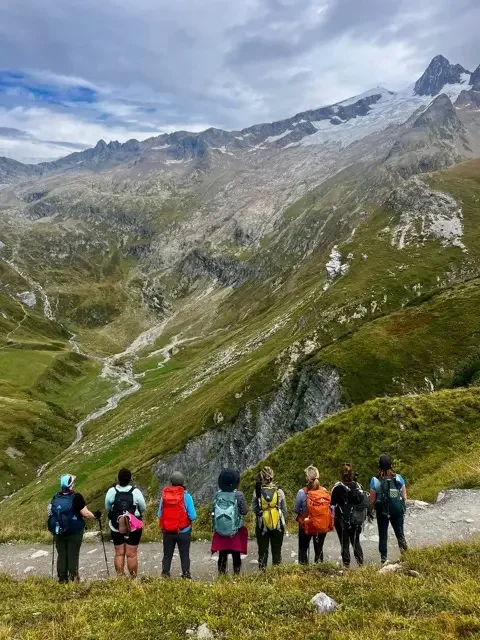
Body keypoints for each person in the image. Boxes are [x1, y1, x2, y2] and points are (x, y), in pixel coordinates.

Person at [47, 474, 99, 583]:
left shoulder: (56, 497)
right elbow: (85, 513)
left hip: (58, 531)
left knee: (62, 554)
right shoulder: (76, 497)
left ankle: (62, 578)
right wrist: (95, 516)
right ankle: (73, 578)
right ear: (71, 484)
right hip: (74, 531)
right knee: (73, 554)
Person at [105, 467, 146, 578]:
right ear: (130, 479)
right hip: (133, 526)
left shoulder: (112, 491)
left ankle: (120, 577)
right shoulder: (136, 492)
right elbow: (143, 508)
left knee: (119, 553)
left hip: (116, 526)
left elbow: (108, 507)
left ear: (118, 479)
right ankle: (133, 578)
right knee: (131, 555)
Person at [369, 454, 408, 564]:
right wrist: (400, 506)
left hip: (382, 511)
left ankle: (384, 558)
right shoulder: (398, 477)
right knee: (400, 532)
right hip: (396, 510)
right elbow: (404, 496)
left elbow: (372, 500)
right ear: (391, 465)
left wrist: (370, 511)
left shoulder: (375, 480)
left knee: (383, 534)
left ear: (379, 465)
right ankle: (405, 554)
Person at [158, 471, 197, 579]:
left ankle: (165, 574)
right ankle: (186, 574)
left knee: (167, 554)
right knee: (184, 554)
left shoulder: (164, 497)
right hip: (183, 531)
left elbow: (159, 514)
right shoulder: (187, 496)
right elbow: (193, 516)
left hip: (167, 531)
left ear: (171, 482)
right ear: (182, 482)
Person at [211, 469, 248, 575]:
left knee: (222, 554)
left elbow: (212, 511)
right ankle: (236, 575)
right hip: (235, 531)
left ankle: (222, 576)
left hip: (220, 530)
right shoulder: (239, 495)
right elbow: (244, 511)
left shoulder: (217, 495)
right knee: (236, 554)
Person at [294, 465, 333, 564]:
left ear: (307, 478)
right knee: (319, 549)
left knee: (303, 548)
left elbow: (296, 510)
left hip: (306, 525)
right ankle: (319, 569)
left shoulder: (302, 492)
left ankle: (304, 569)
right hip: (320, 525)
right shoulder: (324, 491)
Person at [251, 466, 287, 570]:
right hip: (277, 525)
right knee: (276, 550)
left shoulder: (257, 492)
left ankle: (262, 572)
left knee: (262, 550)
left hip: (262, 525)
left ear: (261, 477)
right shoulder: (279, 492)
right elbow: (284, 510)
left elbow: (253, 508)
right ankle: (277, 571)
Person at [331, 462, 365, 567]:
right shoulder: (358, 486)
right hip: (356, 519)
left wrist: (334, 518)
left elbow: (332, 506)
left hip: (342, 521)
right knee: (356, 543)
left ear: (341, 474)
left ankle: (346, 567)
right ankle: (361, 565)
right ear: (351, 473)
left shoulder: (337, 488)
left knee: (344, 544)